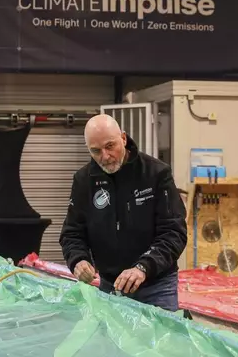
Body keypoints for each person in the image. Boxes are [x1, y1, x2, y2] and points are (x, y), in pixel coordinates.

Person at [59, 114, 187, 311]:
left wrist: (143, 267)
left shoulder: (156, 174)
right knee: (111, 342)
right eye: (95, 151)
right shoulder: (84, 181)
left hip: (156, 286)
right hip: (110, 287)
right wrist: (78, 260)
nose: (105, 156)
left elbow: (174, 232)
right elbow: (72, 233)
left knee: (160, 341)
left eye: (110, 146)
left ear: (124, 139)